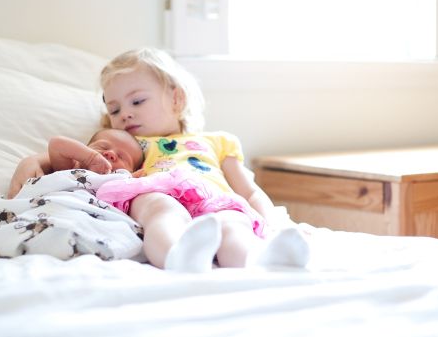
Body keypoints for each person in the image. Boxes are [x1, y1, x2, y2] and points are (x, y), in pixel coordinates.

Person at [91, 47, 310, 272]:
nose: (125, 114)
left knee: (233, 222)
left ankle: (257, 259)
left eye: (137, 101)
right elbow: (102, 170)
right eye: (114, 110)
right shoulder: (129, 146)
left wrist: (275, 225)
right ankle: (177, 255)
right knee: (161, 210)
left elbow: (250, 192)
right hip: (159, 193)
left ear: (176, 99)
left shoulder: (219, 141)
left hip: (215, 200)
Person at [7, 128, 144, 199]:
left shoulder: (120, 180)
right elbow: (57, 144)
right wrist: (91, 158)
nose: (110, 153)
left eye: (122, 157)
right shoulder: (70, 168)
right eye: (102, 146)